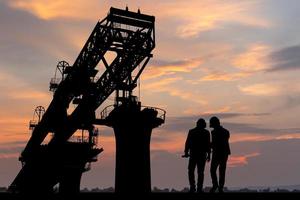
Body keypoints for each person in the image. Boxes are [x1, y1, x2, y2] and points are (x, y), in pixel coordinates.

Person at [182, 118, 211, 193]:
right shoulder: (206, 132)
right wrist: (209, 155)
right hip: (201, 155)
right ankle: (198, 188)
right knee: (200, 172)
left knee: (191, 171)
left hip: (194, 155)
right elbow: (208, 145)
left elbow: (187, 143)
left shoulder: (192, 131)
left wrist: (186, 152)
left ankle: (193, 187)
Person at [209, 116, 231, 193]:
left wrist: (208, 145)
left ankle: (216, 185)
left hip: (218, 153)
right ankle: (220, 187)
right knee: (221, 171)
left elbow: (215, 143)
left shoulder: (214, 132)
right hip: (224, 153)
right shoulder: (226, 131)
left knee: (213, 170)